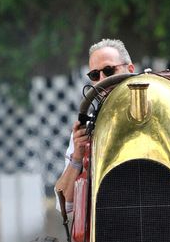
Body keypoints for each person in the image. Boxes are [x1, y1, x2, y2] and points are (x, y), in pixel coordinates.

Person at [54, 38, 135, 209]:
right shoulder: (86, 128)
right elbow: (63, 205)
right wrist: (78, 156)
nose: (102, 80)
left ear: (130, 69)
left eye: (109, 70)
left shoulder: (159, 113)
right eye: (95, 75)